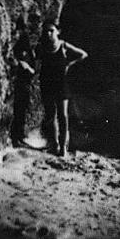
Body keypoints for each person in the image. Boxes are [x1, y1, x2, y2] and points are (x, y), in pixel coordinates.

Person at [39, 22, 89, 156]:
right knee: (50, 115)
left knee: (63, 115)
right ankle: (54, 144)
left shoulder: (63, 45)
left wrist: (69, 64)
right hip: (47, 84)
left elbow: (83, 54)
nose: (48, 34)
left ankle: (63, 147)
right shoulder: (42, 47)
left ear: (58, 31)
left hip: (61, 84)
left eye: (51, 31)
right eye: (46, 31)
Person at [9, 33, 36, 147]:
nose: (23, 53)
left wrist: (27, 67)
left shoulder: (29, 55)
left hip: (25, 87)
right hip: (18, 87)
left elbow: (33, 71)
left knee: (22, 113)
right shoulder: (19, 56)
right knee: (17, 113)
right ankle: (16, 139)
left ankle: (19, 137)